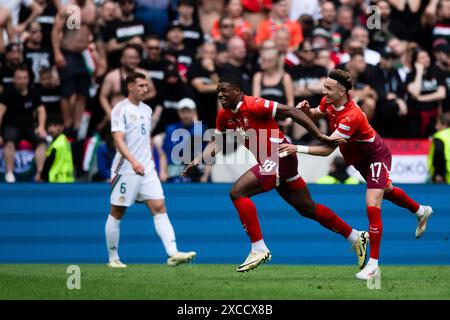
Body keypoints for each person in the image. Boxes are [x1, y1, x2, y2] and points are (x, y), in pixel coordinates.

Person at [181, 74, 369, 273]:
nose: (220, 95)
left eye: (224, 91)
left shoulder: (254, 104)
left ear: (238, 92)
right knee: (308, 208)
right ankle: (356, 237)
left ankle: (258, 249)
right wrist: (198, 159)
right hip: (275, 162)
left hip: (279, 156)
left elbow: (290, 111)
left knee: (237, 192)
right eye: (218, 92)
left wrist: (319, 136)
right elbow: (216, 143)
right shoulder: (224, 116)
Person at [279, 69, 433, 280]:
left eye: (328, 88)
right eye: (324, 86)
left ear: (342, 91)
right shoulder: (329, 101)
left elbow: (327, 149)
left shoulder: (351, 116)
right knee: (386, 191)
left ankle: (373, 265)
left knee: (372, 203)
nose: (324, 91)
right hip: (358, 159)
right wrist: (307, 110)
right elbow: (317, 113)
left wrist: (297, 148)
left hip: (375, 156)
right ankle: (420, 210)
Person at [106, 72, 196, 268]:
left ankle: (173, 253)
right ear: (130, 87)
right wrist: (133, 161)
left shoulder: (147, 110)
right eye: (141, 85)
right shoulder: (120, 109)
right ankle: (113, 258)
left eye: (146, 85)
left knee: (159, 207)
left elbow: (144, 139)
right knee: (117, 212)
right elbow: (118, 139)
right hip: (126, 169)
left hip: (147, 169)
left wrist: (148, 163)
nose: (145, 89)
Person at [0, 67, 47, 183]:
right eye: (19, 78)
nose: (22, 81)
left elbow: (41, 110)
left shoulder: (33, 92)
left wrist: (41, 127)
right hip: (11, 126)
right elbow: (0, 113)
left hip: (29, 126)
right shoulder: (7, 93)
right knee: (9, 143)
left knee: (41, 143)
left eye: (25, 78)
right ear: (14, 79)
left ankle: (39, 174)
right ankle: (9, 173)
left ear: (28, 79)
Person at [41, 114, 74, 183]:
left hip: (57, 180)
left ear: (62, 127)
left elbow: (49, 162)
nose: (51, 129)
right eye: (49, 125)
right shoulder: (64, 140)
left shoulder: (57, 144)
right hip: (68, 180)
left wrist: (42, 176)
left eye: (55, 125)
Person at [428, 112, 450, 184]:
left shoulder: (440, 136)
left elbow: (438, 154)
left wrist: (439, 173)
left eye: (437, 123)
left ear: (444, 124)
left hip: (446, 176)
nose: (435, 126)